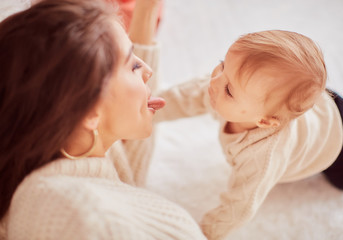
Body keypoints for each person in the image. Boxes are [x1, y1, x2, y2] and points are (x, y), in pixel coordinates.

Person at [0, 0, 207, 239]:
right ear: (88, 110)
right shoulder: (78, 214)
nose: (148, 71)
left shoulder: (76, 149)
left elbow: (126, 182)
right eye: (133, 65)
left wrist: (146, 11)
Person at [155, 30, 343, 239]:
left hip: (342, 139)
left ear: (264, 122)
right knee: (287, 93)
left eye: (229, 90)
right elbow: (183, 97)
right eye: (223, 64)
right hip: (324, 105)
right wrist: (148, 110)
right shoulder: (221, 88)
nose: (214, 80)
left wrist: (205, 233)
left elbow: (239, 206)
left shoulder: (261, 158)